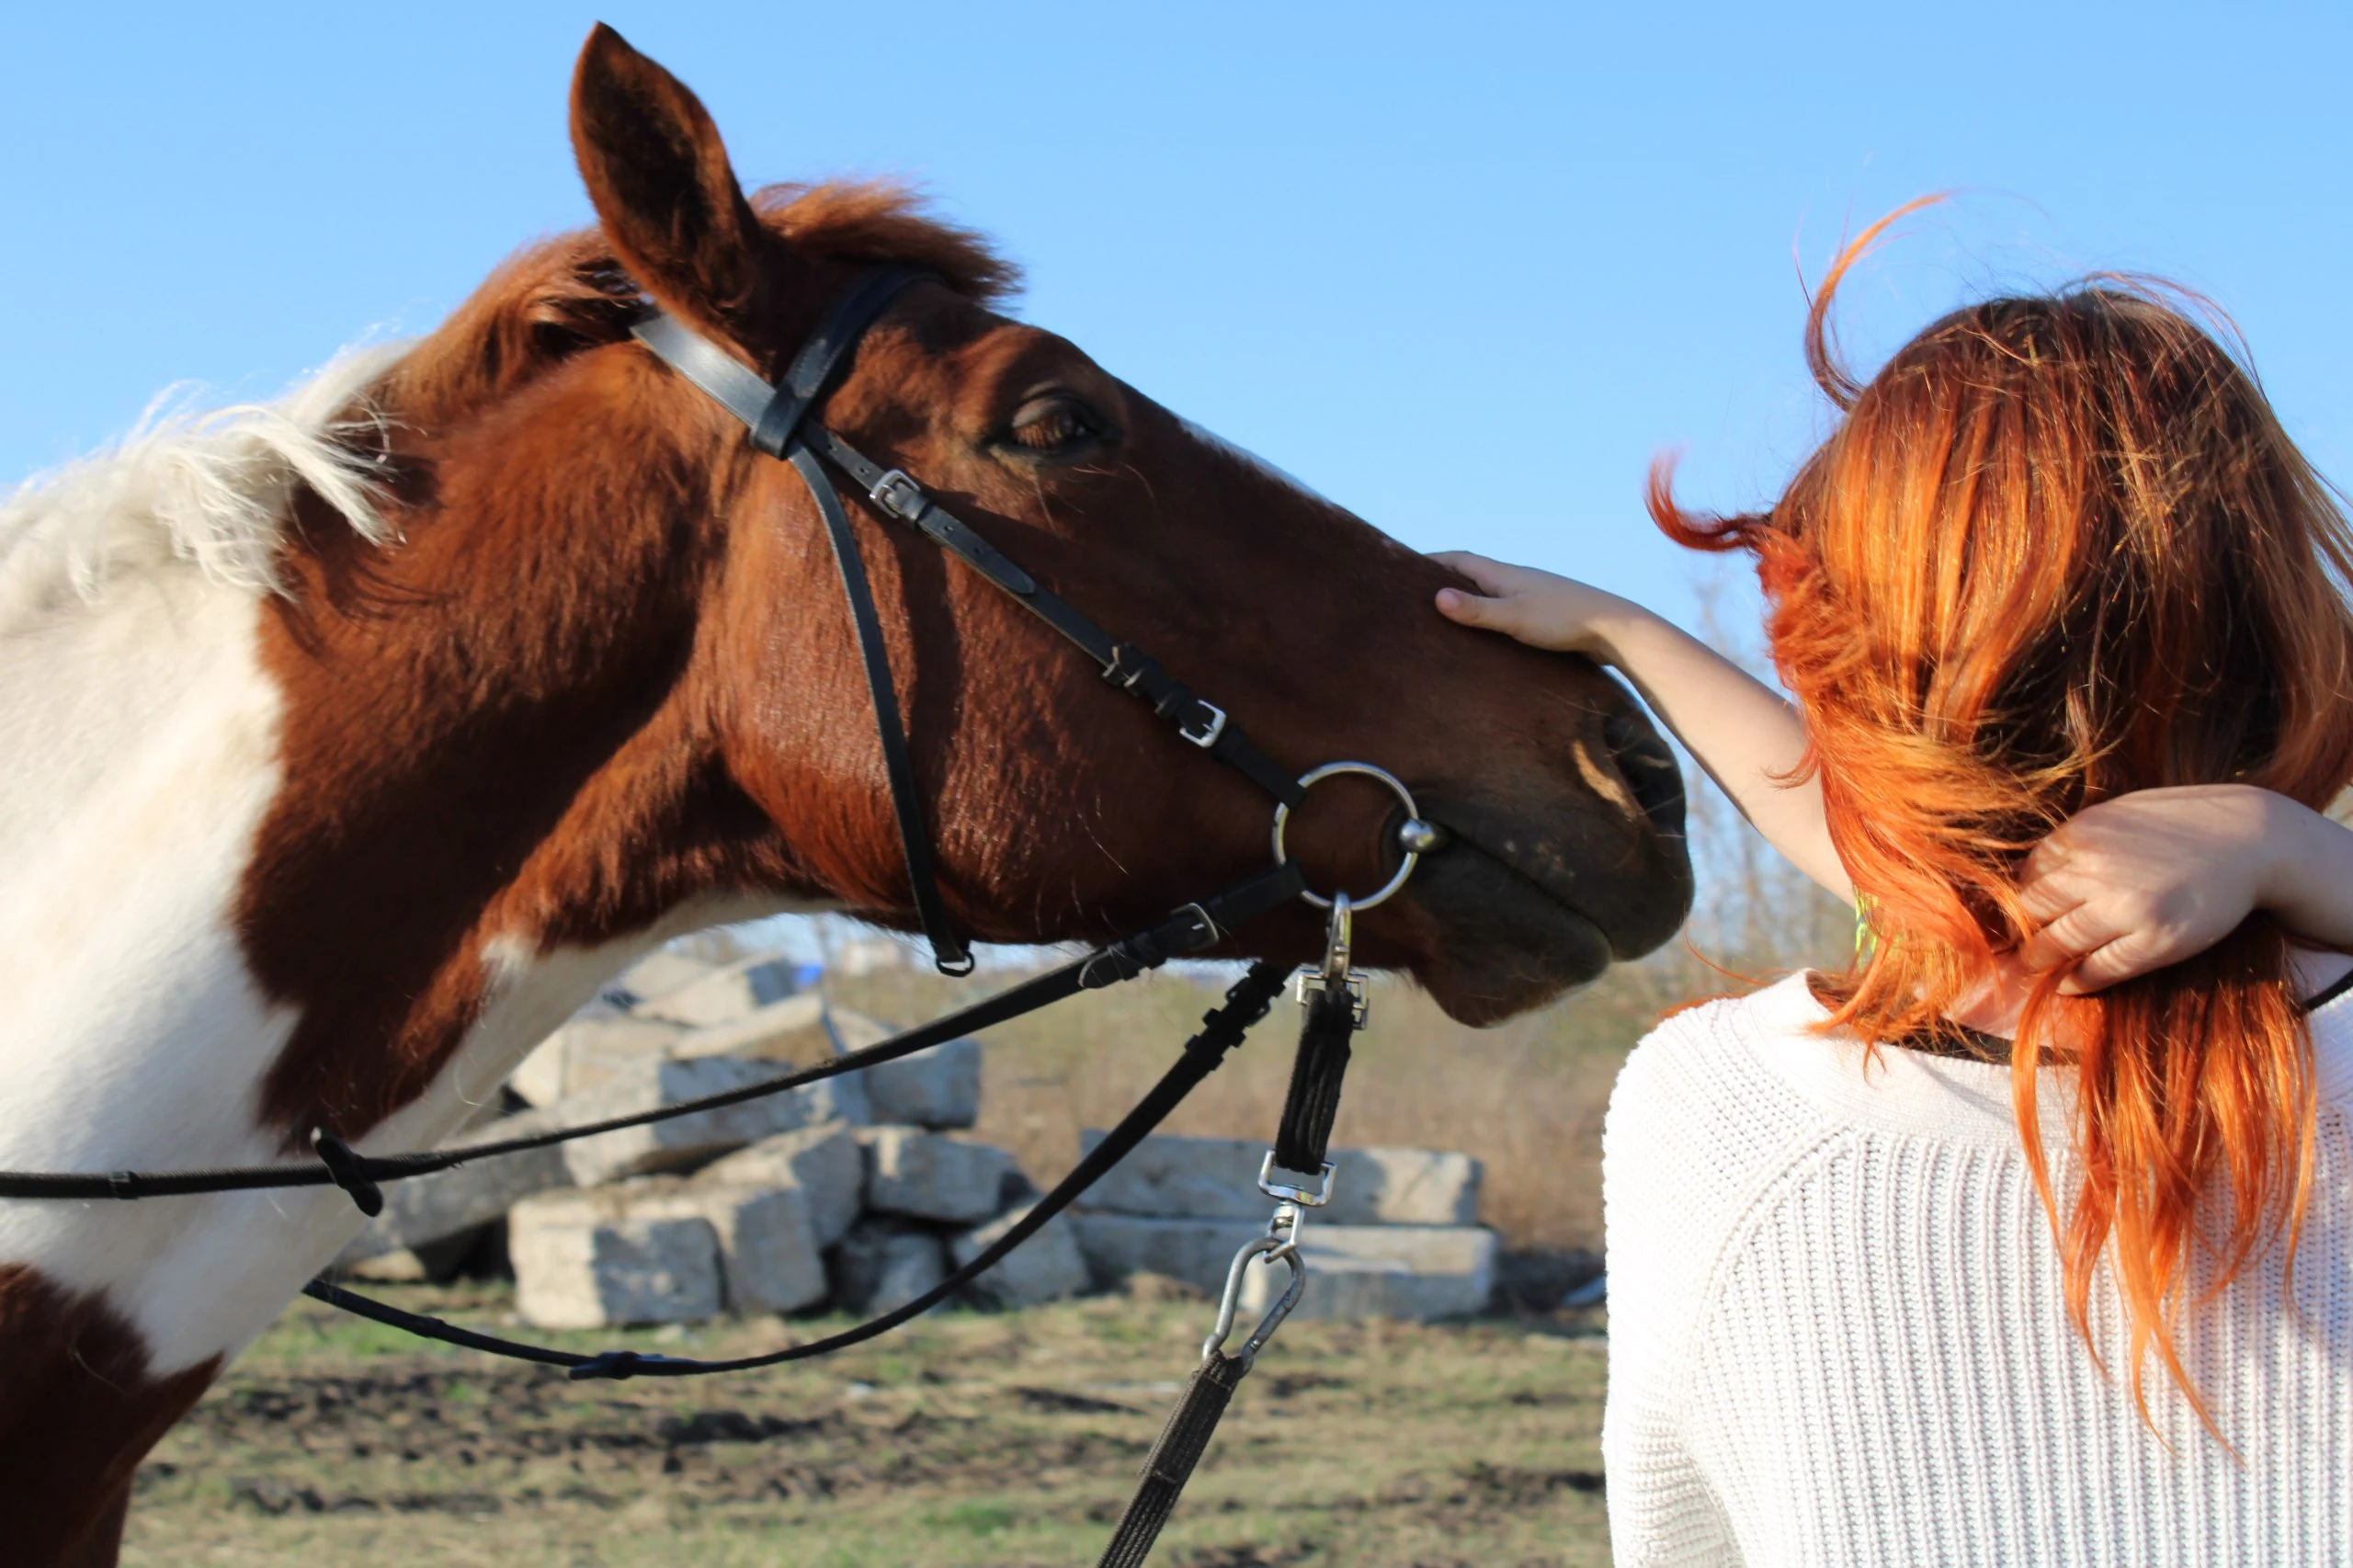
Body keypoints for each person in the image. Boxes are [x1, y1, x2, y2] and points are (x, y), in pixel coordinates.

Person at [1433, 220, 2353, 1564]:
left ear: (1857, 657)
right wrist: (2293, 850)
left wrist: (1627, 631)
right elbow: (1880, 837)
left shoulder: (1723, 1115)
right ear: (2281, 621)